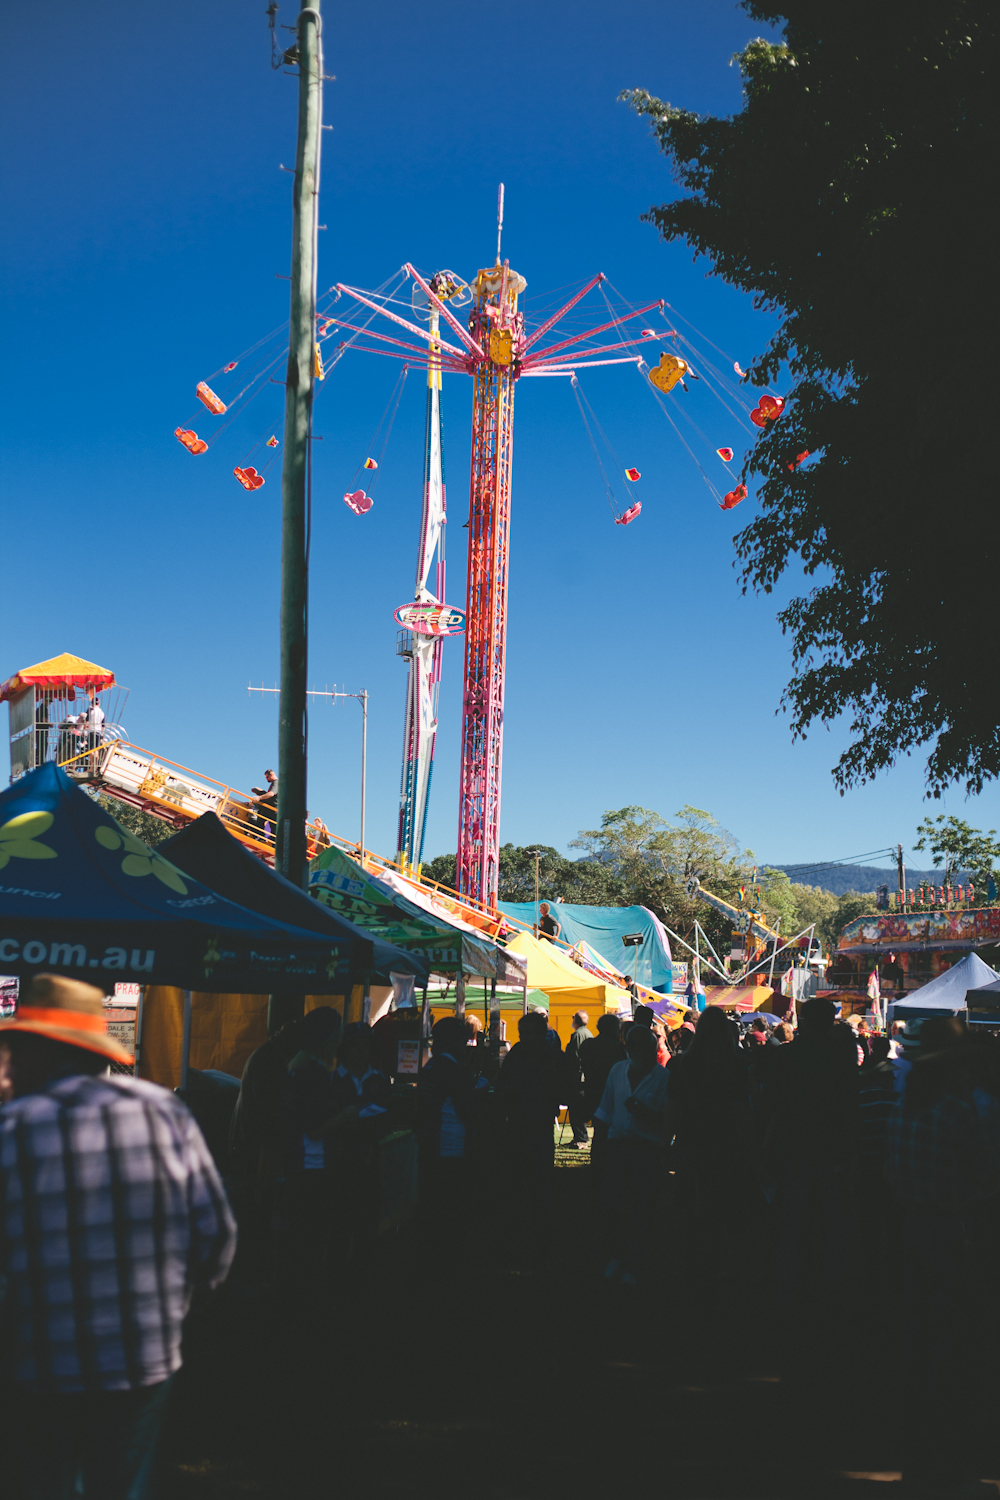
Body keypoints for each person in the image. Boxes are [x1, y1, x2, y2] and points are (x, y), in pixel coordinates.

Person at [0, 975, 236, 1500]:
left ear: (37, 1050)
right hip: (143, 1355)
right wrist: (175, 1307)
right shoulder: (165, 1112)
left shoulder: (14, 1128)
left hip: (44, 1363)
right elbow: (215, 1237)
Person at [593, 1025, 670, 1284]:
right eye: (632, 1046)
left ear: (652, 1049)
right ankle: (617, 1256)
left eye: (642, 1047)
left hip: (646, 1151)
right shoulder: (618, 1071)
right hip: (618, 1148)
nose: (636, 1052)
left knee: (641, 1210)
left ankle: (635, 1263)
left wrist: (648, 1116)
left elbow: (670, 1121)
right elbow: (604, 1110)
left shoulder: (663, 1078)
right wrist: (599, 1149)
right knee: (610, 1205)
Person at [416, 1017, 488, 1255]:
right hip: (452, 1144)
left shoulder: (432, 1066)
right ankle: (448, 1253)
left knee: (435, 1202)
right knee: (451, 1204)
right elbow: (467, 1109)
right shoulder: (453, 1068)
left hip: (432, 1143)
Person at [494, 1010, 564, 1255]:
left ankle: (533, 1235)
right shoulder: (535, 1054)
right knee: (524, 1182)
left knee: (532, 1183)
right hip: (525, 1123)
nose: (522, 1037)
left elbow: (505, 1084)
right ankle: (525, 1233)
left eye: (525, 1033)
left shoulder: (540, 1055)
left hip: (531, 1124)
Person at [564, 1010, 593, 1147]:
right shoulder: (588, 1033)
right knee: (579, 1109)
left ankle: (581, 1138)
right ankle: (581, 1137)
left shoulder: (577, 1035)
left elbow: (574, 1058)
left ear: (575, 1020)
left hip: (577, 1079)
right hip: (584, 1078)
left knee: (576, 1110)